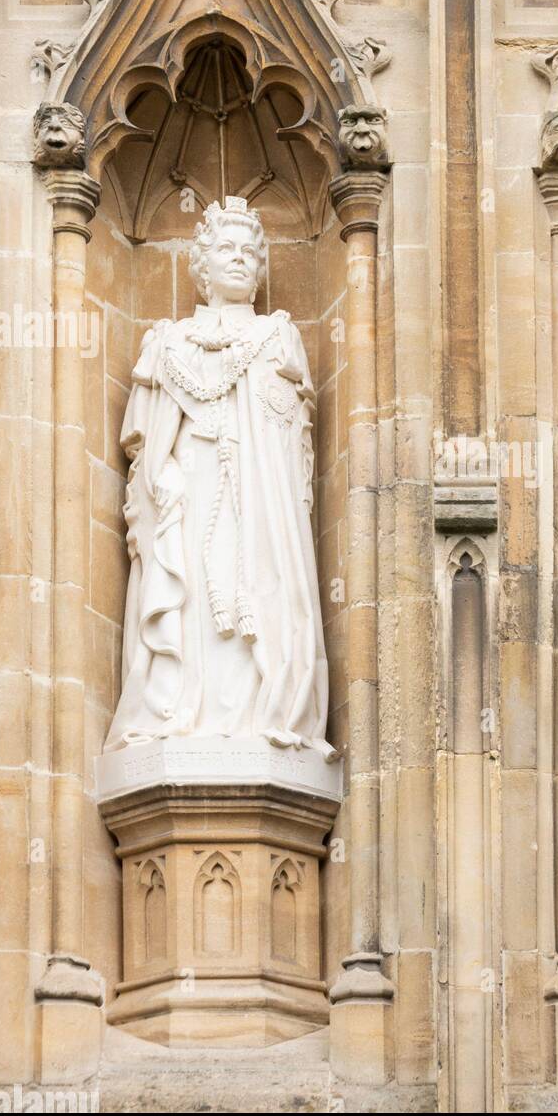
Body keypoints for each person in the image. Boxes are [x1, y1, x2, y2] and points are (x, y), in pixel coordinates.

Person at [105, 196, 328, 751]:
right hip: (192, 492)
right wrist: (164, 475)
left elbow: (289, 438)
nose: (238, 259)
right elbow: (147, 441)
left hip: (258, 497)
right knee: (196, 601)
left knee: (258, 591)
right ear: (201, 266)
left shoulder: (278, 336)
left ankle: (262, 715)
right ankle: (180, 713)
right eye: (224, 249)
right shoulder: (169, 341)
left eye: (250, 252)